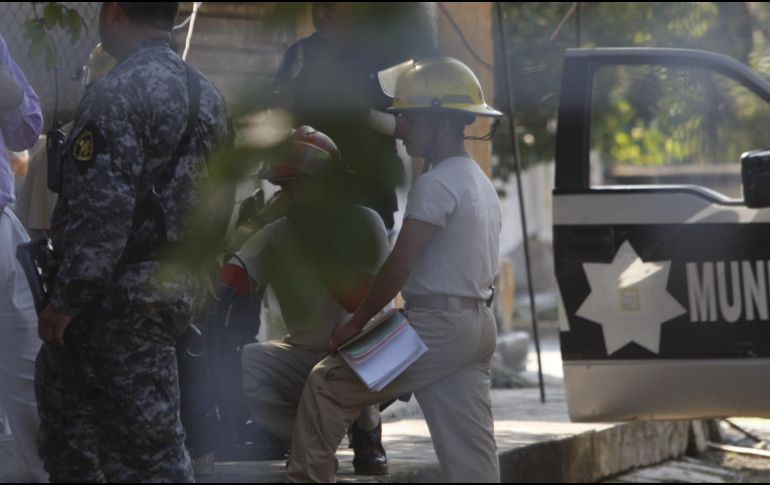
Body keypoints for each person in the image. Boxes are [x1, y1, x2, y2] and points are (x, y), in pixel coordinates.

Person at [34, 3, 232, 482]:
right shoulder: (206, 94)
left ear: (114, 14)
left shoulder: (116, 94)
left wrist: (66, 299)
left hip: (116, 301)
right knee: (83, 428)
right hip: (173, 286)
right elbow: (222, 198)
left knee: (147, 453)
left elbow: (102, 212)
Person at [286, 57, 504, 483]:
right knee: (471, 457)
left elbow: (399, 264)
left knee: (327, 385)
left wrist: (356, 325)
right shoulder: (476, 180)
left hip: (433, 328)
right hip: (475, 326)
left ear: (442, 123)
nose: (400, 130)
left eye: (409, 120)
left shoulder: (435, 184)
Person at [221, 125, 391, 474]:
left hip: (370, 354)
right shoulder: (279, 232)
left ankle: (368, 434)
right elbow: (232, 278)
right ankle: (303, 437)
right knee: (247, 362)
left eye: (292, 187)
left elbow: (358, 301)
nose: (284, 196)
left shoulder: (366, 224)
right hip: (306, 353)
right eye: (282, 187)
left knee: (356, 344)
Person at [272, 3, 434, 231]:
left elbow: (407, 126)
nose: (320, 14)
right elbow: (276, 112)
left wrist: (362, 115)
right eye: (316, 6)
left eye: (330, 6)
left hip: (370, 198)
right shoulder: (300, 54)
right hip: (311, 198)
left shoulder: (386, 56)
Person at [0, 33, 45, 483]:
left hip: (0, 222)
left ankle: (45, 474)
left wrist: (9, 96)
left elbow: (28, 128)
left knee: (27, 365)